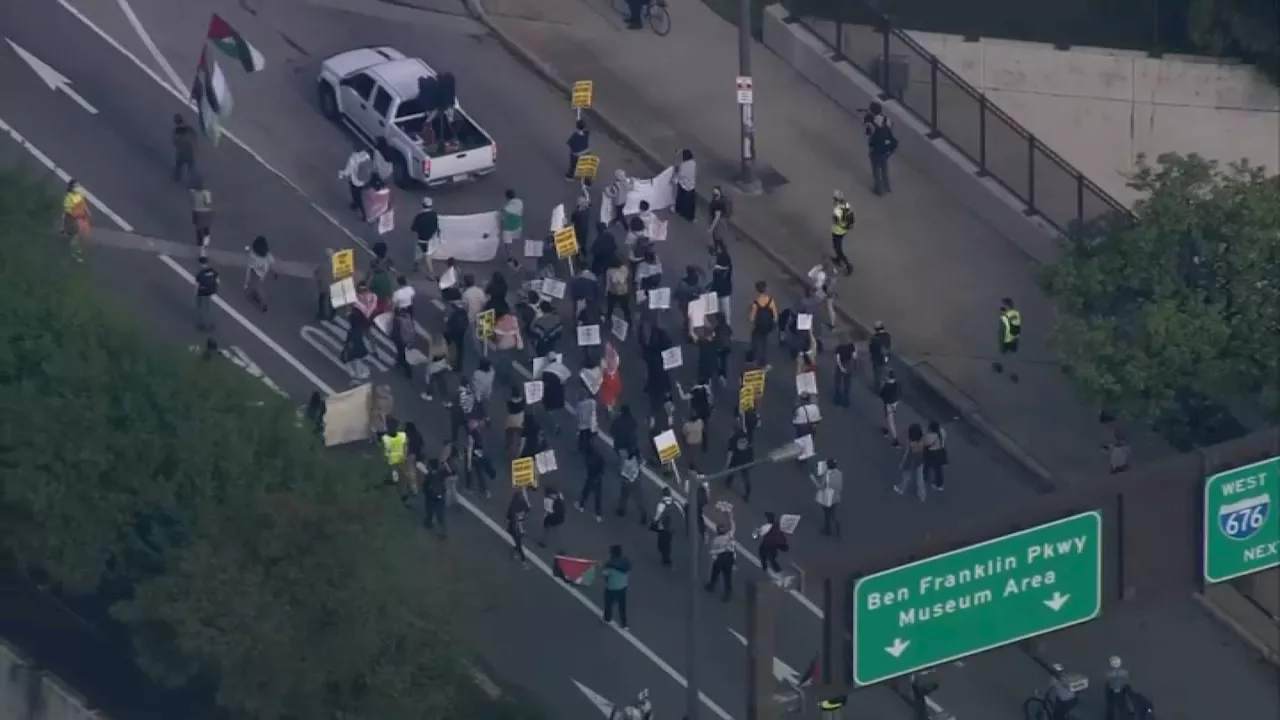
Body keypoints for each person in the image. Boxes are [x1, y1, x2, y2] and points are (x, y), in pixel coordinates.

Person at [864, 101, 898, 195]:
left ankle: (878, 189)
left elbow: (868, 133)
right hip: (885, 147)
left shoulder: (871, 121)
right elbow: (891, 126)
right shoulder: (885, 119)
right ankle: (887, 186)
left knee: (876, 169)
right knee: (884, 167)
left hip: (876, 148)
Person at [704, 505, 736, 601]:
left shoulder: (716, 540)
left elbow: (714, 553)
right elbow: (733, 526)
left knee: (715, 571)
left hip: (721, 558)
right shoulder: (729, 536)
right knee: (727, 576)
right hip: (729, 558)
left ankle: (711, 585)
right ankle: (727, 593)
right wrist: (731, 517)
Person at [992, 297, 1022, 382]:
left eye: (1003, 305)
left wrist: (1003, 339)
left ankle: (1011, 373)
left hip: (1006, 340)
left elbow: (1005, 329)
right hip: (1012, 340)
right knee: (1010, 357)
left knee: (1006, 356)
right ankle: (1009, 371)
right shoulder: (1014, 314)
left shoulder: (1007, 316)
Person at [614, 447, 647, 524]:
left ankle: (621, 510)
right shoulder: (638, 460)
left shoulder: (627, 463)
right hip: (637, 480)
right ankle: (643, 514)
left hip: (628, 481)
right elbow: (643, 463)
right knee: (639, 499)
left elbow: (623, 473)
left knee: (624, 495)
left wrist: (620, 473)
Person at [463, 420, 496, 498]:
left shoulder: (471, 435)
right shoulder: (480, 434)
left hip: (473, 457)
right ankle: (485, 490)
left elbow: (470, 449)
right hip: (479, 456)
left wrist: (469, 463)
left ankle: (469, 488)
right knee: (480, 474)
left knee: (469, 472)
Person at [601, 545, 631, 629]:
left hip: (612, 587)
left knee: (608, 603)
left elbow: (604, 573)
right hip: (623, 587)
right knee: (622, 606)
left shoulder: (610, 565)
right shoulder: (625, 562)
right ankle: (624, 624)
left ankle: (607, 618)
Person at [748, 281, 778, 364]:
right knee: (764, 340)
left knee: (755, 338)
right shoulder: (771, 301)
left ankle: (755, 357)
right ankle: (764, 358)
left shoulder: (755, 303)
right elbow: (775, 316)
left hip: (759, 326)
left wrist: (750, 308)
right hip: (768, 326)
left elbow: (751, 318)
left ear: (757, 291)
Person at [811, 459, 843, 537]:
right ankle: (832, 527)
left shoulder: (826, 475)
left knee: (827, 514)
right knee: (831, 512)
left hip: (827, 498)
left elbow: (820, 486)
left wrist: (813, 478)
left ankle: (828, 529)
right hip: (836, 497)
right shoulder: (839, 473)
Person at [895, 423, 927, 501]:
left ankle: (901, 489)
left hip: (910, 461)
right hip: (920, 460)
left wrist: (902, 463)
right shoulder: (923, 438)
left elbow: (906, 454)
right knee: (920, 478)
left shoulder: (910, 443)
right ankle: (922, 495)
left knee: (906, 475)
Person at [243, 236, 276, 311]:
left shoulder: (252, 255)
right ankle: (261, 301)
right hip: (262, 274)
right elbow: (272, 263)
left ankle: (262, 303)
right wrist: (275, 273)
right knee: (259, 287)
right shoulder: (267, 255)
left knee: (257, 288)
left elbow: (249, 266)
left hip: (254, 273)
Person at [340, 304, 372, 382]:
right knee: (355, 356)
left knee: (350, 356)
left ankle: (354, 372)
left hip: (354, 339)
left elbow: (352, 334)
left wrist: (348, 342)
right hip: (357, 338)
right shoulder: (359, 318)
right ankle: (355, 371)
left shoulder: (354, 319)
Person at [576, 444, 606, 522]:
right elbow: (603, 465)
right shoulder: (599, 456)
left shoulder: (589, 458)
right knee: (597, 497)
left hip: (591, 477)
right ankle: (598, 514)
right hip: (598, 478)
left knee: (586, 491)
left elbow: (589, 468)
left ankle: (581, 505)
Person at [61, 179, 91, 260]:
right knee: (75, 237)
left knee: (84, 235)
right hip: (75, 219)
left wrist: (87, 211)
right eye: (76, 186)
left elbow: (83, 203)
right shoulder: (69, 197)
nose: (78, 187)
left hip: (82, 218)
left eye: (78, 185)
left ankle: (78, 251)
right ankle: (73, 255)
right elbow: (67, 211)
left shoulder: (79, 194)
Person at [339, 148, 372, 218]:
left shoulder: (353, 158)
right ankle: (357, 205)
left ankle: (363, 213)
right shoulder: (366, 155)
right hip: (363, 180)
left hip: (355, 181)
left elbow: (348, 171)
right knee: (358, 194)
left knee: (356, 195)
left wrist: (341, 174)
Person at [411, 197, 441, 275]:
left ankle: (419, 267)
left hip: (422, 239)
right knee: (428, 255)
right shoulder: (434, 214)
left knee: (420, 254)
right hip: (432, 239)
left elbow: (413, 228)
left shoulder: (419, 216)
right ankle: (429, 272)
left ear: (423, 205)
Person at [651, 488, 680, 568]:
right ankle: (666, 556)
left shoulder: (661, 504)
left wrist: (654, 522)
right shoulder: (675, 502)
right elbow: (681, 513)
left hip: (663, 527)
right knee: (667, 542)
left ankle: (666, 557)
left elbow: (658, 515)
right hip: (672, 527)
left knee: (661, 544)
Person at [723, 429, 754, 502]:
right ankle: (729, 482)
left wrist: (726, 465)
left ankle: (729, 481)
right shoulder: (743, 438)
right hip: (740, 461)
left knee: (736, 473)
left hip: (740, 461)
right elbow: (750, 449)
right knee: (740, 476)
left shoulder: (735, 440)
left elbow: (730, 453)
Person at [830, 190, 855, 275]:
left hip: (837, 231)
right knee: (838, 247)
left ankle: (848, 266)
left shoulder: (837, 210)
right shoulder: (846, 205)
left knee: (837, 248)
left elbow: (835, 221)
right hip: (844, 230)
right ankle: (838, 259)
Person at [506, 487, 531, 566]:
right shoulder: (524, 505)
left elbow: (508, 519)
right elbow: (528, 509)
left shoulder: (512, 507)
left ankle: (515, 552)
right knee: (519, 544)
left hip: (514, 528)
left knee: (518, 543)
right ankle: (523, 559)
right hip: (521, 527)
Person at [194, 255, 218, 333]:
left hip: (202, 292)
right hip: (211, 291)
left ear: (200, 264)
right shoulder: (212, 271)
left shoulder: (200, 274)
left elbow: (197, 285)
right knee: (209, 307)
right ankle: (212, 323)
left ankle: (201, 324)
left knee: (200, 307)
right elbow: (217, 280)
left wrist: (196, 293)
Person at [189, 174, 213, 254]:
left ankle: (201, 249)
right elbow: (208, 203)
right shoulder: (206, 193)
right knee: (206, 227)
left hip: (196, 212)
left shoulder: (192, 193)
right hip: (205, 212)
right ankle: (206, 238)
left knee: (198, 230)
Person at [500, 188, 524, 265]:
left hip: (508, 228)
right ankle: (515, 255)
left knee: (507, 245)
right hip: (517, 226)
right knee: (513, 241)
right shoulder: (520, 202)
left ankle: (510, 259)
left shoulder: (505, 209)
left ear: (507, 197)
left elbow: (502, 218)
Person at [672, 149, 697, 222]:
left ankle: (677, 209)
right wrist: (680, 151)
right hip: (692, 186)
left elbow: (679, 174)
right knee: (691, 203)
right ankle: (691, 217)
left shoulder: (683, 166)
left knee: (680, 198)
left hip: (683, 185)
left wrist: (674, 179)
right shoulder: (693, 163)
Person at [171, 113, 197, 183]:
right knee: (190, 167)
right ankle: (193, 179)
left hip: (181, 152)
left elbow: (174, 141)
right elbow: (194, 135)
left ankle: (177, 177)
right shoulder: (188, 127)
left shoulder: (176, 130)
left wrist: (179, 144)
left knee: (178, 165)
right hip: (189, 150)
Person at [539, 485, 567, 550]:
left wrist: (544, 518)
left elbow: (548, 511)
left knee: (546, 530)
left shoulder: (547, 500)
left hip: (552, 517)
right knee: (557, 532)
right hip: (560, 516)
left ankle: (543, 542)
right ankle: (561, 549)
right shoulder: (559, 495)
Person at [879, 368, 901, 447]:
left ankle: (896, 440)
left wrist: (882, 384)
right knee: (887, 417)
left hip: (888, 404)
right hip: (894, 403)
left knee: (890, 421)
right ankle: (886, 430)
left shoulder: (887, 386)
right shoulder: (897, 384)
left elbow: (881, 395)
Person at [923, 421, 948, 491]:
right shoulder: (942, 431)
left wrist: (925, 434)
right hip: (941, 451)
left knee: (926, 465)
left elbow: (925, 443)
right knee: (938, 469)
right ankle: (940, 484)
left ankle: (924, 477)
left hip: (932, 453)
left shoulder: (931, 436)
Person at [833, 334, 856, 407]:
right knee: (847, 385)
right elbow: (855, 356)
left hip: (840, 366)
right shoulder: (851, 346)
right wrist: (853, 365)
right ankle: (846, 402)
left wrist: (841, 367)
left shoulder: (839, 347)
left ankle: (838, 400)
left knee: (838, 384)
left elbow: (837, 359)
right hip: (848, 365)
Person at [1104, 656, 1130, 720]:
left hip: (1115, 690)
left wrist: (1116, 687)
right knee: (1118, 706)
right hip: (1117, 690)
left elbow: (1110, 681)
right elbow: (1124, 681)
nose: (1115, 664)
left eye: (1116, 662)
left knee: (1112, 706)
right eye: (1114, 662)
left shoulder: (1109, 672)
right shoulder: (1124, 672)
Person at [868, 320, 892, 389]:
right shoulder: (887, 336)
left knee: (877, 374)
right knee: (885, 372)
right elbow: (889, 346)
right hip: (886, 357)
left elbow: (871, 349)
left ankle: (878, 388)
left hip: (877, 358)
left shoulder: (875, 338)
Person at [707, 185, 732, 250]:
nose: (714, 195)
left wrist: (711, 228)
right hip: (722, 221)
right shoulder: (722, 199)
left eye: (715, 194)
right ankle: (721, 246)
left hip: (718, 223)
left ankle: (716, 249)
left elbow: (717, 218)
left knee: (716, 237)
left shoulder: (718, 204)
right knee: (719, 236)